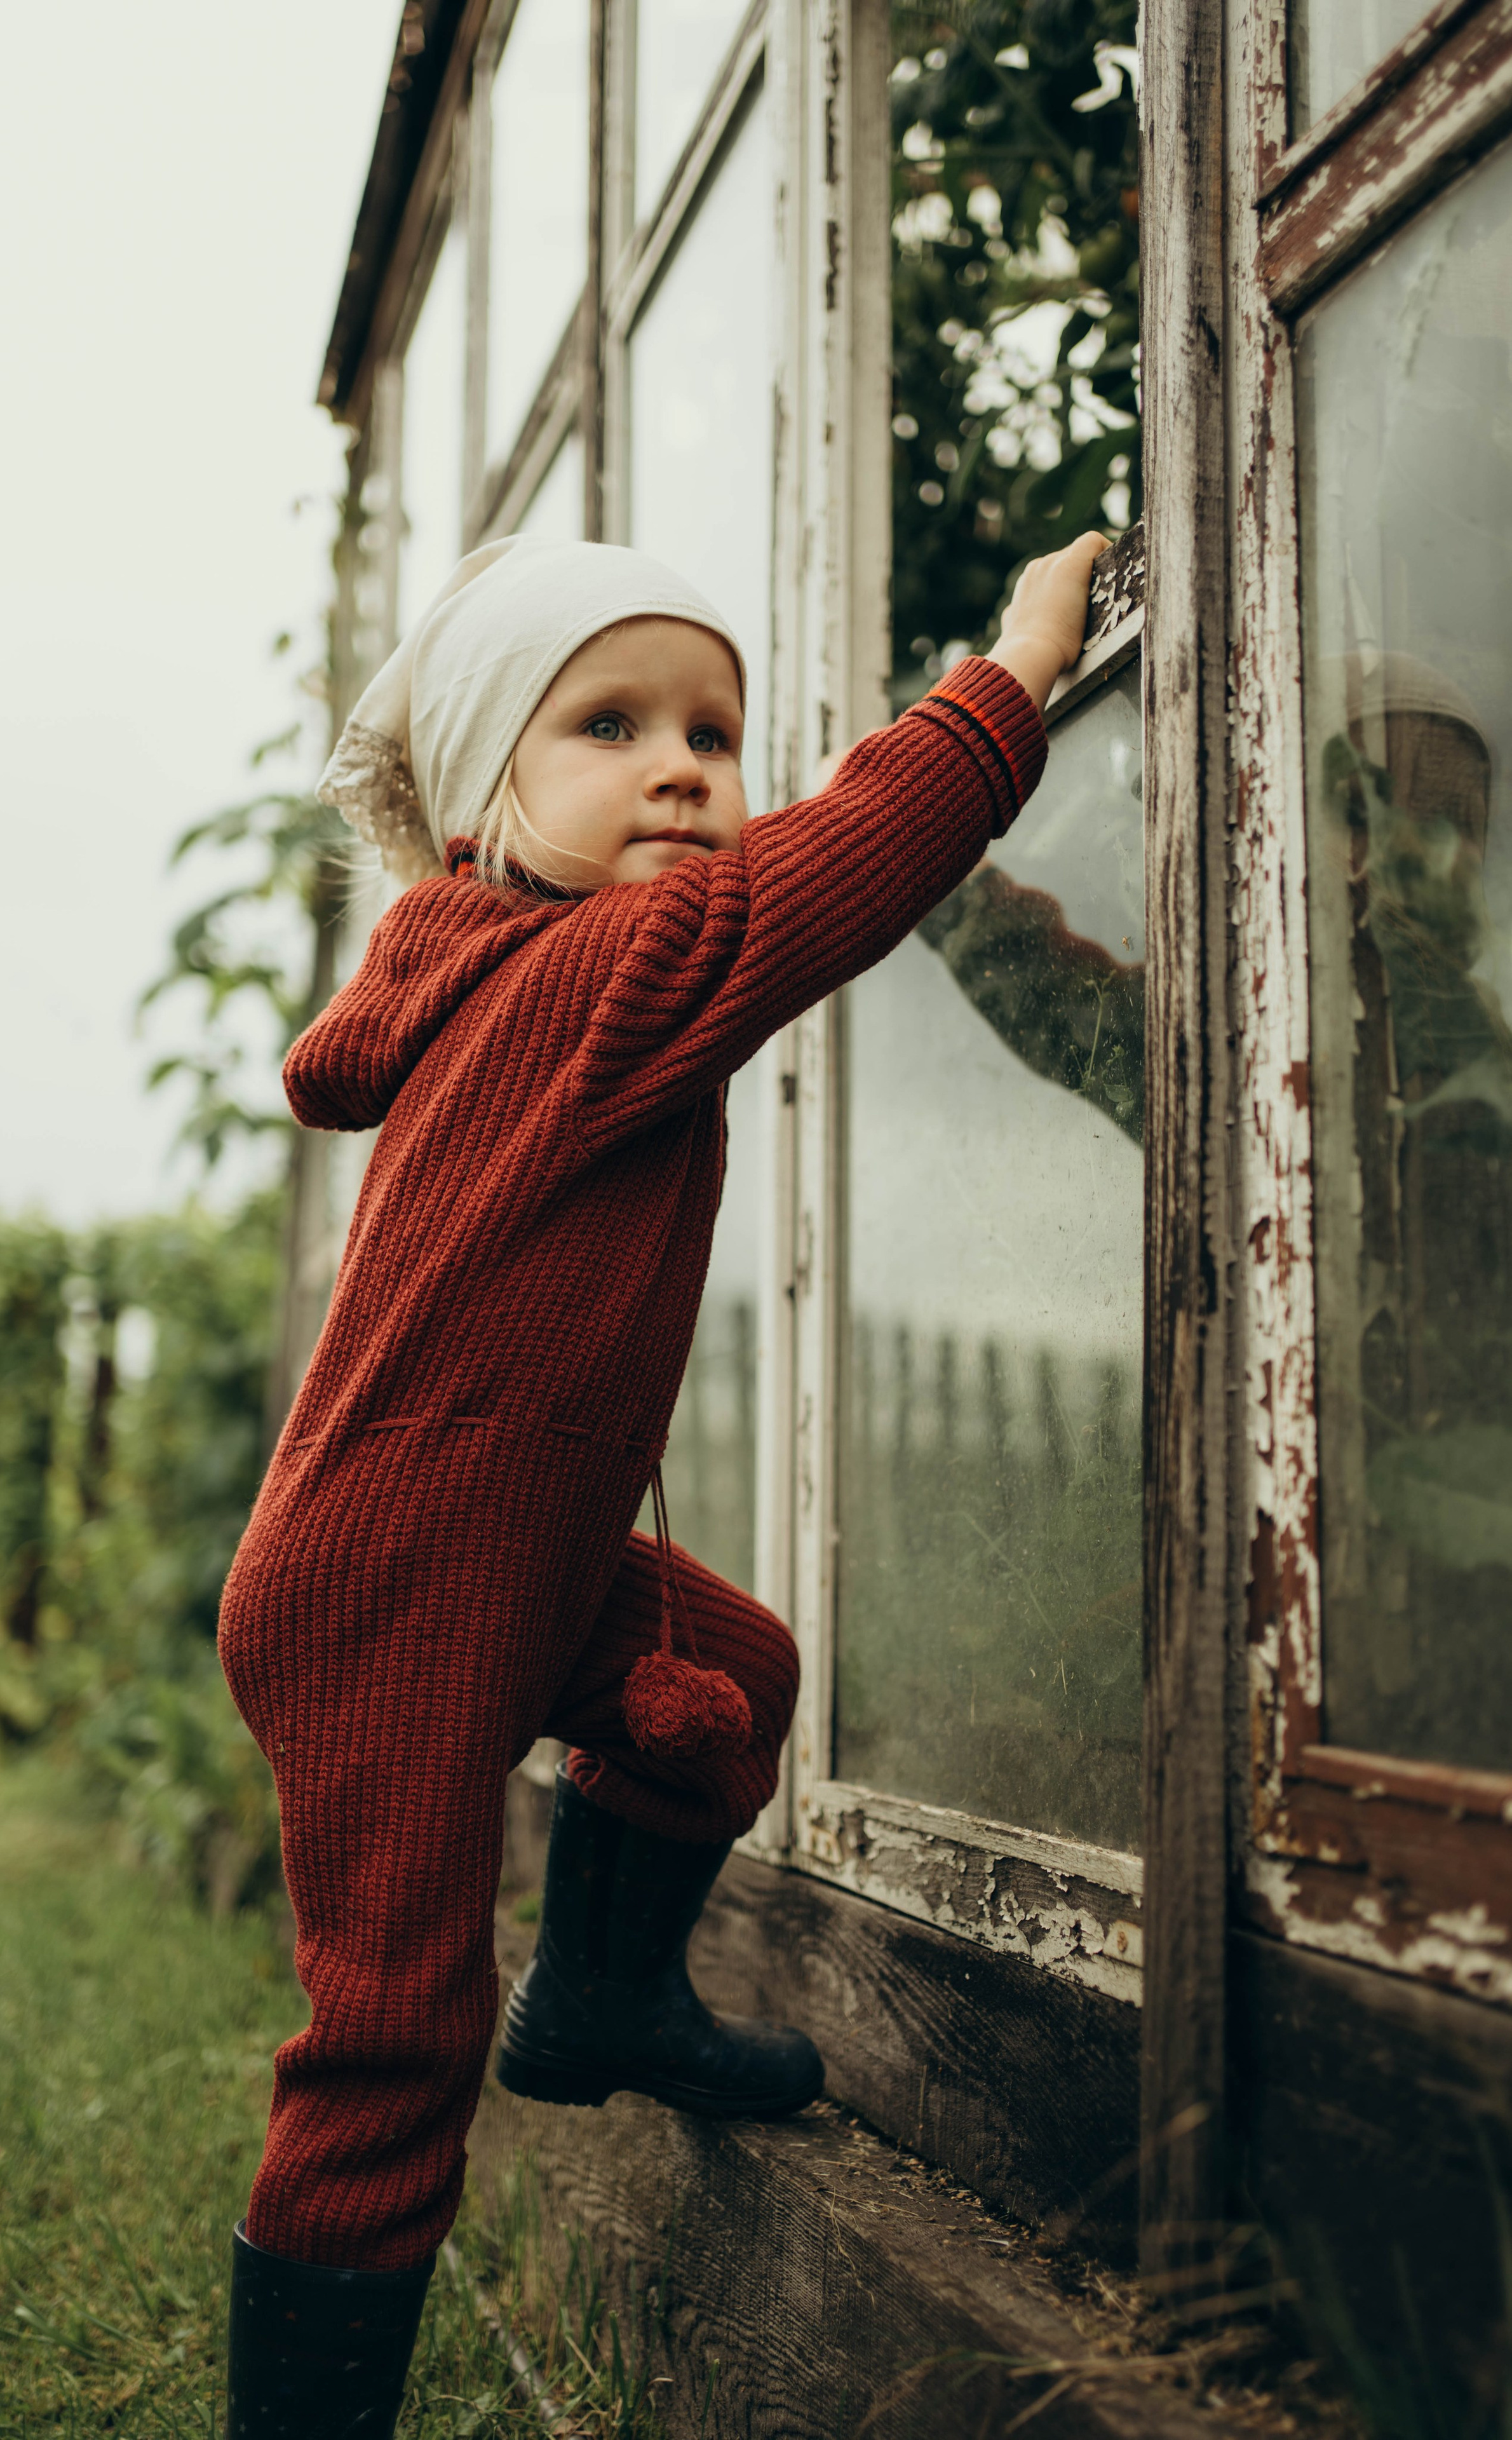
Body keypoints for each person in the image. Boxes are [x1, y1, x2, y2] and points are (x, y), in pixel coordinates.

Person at [217, 525, 1104, 2438]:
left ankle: (606, 2002)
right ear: (490, 796)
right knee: (386, 2046)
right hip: (389, 1593)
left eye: (714, 725)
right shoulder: (593, 975)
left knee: (736, 1683)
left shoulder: (527, 967)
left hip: (501, 1558)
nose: (689, 765)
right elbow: (835, 870)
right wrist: (1013, 674)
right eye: (609, 725)